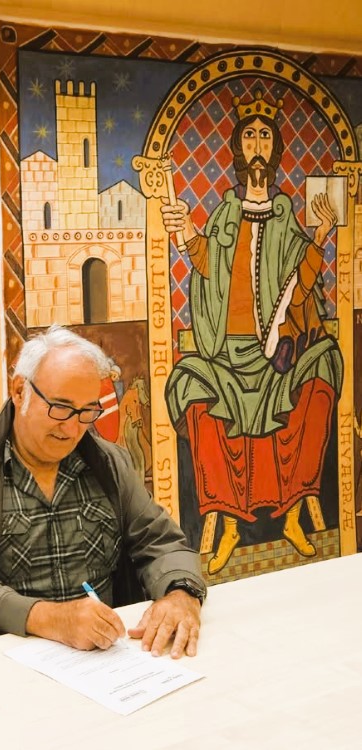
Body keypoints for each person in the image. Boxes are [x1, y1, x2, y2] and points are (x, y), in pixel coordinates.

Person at [0, 325, 206, 659]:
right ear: (19, 391)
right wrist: (51, 618)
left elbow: (162, 542)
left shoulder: (107, 463)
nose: (72, 429)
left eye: (87, 411)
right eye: (60, 407)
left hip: (101, 658)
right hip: (2, 660)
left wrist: (180, 593)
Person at [159, 89, 343, 574]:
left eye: (265, 136)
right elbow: (207, 264)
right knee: (191, 391)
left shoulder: (285, 215)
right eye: (249, 137)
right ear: (238, 150)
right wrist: (184, 229)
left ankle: (294, 516)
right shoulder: (224, 214)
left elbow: (302, 286)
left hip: (278, 357)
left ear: (275, 149)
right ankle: (227, 523)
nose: (257, 145)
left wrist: (319, 237)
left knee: (324, 370)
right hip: (227, 357)